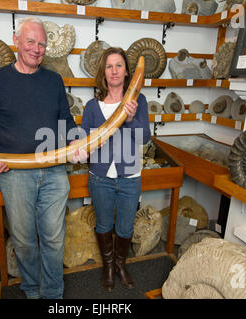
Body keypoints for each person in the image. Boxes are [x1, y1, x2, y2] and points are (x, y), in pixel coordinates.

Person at [0, 17, 82, 299]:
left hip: (54, 171)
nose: (37, 48)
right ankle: (32, 291)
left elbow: (65, 120)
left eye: (42, 43)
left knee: (54, 239)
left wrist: (75, 140)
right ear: (16, 40)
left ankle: (53, 294)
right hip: (15, 174)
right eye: (31, 41)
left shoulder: (54, 81)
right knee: (24, 241)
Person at [80, 47, 151, 292]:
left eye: (118, 65)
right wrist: (78, 148)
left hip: (130, 176)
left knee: (125, 227)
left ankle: (121, 264)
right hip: (100, 178)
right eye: (109, 66)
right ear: (103, 72)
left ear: (127, 70)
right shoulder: (91, 106)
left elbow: (145, 138)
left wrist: (131, 120)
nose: (114, 71)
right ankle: (108, 266)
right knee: (103, 225)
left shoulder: (138, 101)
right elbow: (84, 142)